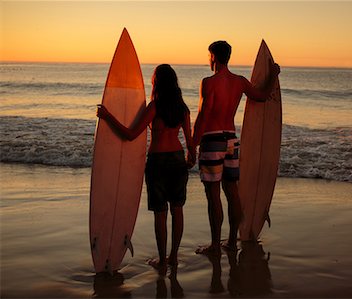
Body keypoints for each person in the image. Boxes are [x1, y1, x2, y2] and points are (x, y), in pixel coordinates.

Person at [97, 64, 195, 275]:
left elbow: (131, 134)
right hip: (178, 161)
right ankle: (174, 257)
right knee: (177, 210)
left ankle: (162, 260)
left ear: (157, 81)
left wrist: (108, 117)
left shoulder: (155, 107)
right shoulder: (182, 108)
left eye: (153, 77)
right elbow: (189, 141)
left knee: (160, 213)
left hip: (158, 163)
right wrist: (191, 158)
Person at [192, 41, 280, 255]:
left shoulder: (208, 82)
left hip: (212, 140)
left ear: (213, 56)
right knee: (232, 192)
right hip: (232, 139)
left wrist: (192, 145)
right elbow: (262, 96)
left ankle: (214, 245)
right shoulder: (239, 82)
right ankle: (232, 241)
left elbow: (204, 114)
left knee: (213, 195)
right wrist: (273, 75)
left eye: (209, 55)